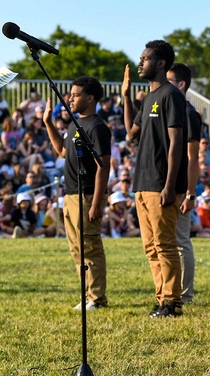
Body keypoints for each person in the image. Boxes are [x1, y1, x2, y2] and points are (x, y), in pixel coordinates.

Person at [122, 40, 187, 318]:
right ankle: (161, 299)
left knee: (165, 244)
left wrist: (170, 185)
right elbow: (130, 133)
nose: (140, 62)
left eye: (145, 58)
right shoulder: (147, 98)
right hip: (143, 183)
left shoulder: (171, 95)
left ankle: (172, 302)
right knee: (150, 247)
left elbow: (176, 142)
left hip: (161, 184)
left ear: (161, 63)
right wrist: (126, 97)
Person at [44, 76, 112, 311]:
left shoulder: (97, 127)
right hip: (71, 194)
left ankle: (97, 299)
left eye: (75, 94)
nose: (70, 98)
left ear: (90, 98)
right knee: (76, 248)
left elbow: (104, 167)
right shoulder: (74, 123)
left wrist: (96, 202)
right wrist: (48, 123)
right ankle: (87, 295)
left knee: (90, 247)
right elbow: (62, 152)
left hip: (87, 196)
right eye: (70, 94)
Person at [167, 63, 203, 304]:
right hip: (168, 186)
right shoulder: (171, 110)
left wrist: (190, 194)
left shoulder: (189, 114)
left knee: (181, 241)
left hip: (181, 188)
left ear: (181, 84)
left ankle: (185, 294)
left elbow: (193, 157)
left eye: (169, 80)